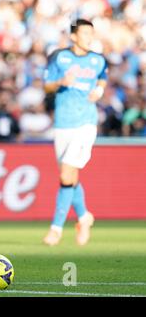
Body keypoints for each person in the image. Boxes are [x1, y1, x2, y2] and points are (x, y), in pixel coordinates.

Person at [42, 19, 108, 246]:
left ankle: (56, 229)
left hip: (85, 123)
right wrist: (61, 81)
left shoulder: (98, 59)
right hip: (63, 124)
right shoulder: (59, 57)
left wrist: (99, 90)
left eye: (92, 33)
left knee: (65, 175)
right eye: (85, 33)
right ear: (73, 36)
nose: (90, 37)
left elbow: (103, 78)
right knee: (70, 177)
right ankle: (84, 217)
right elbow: (47, 85)